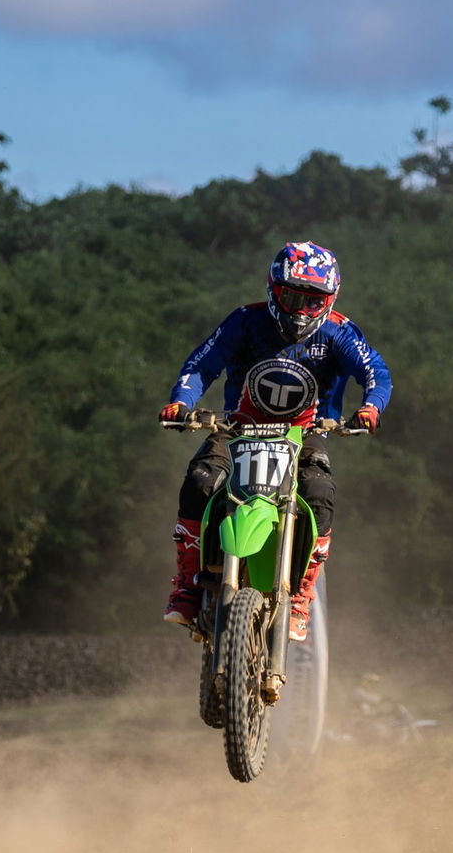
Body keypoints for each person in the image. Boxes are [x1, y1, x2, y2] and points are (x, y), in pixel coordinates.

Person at [157, 241, 393, 640]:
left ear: (329, 299)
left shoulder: (339, 331)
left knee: (318, 491)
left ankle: (300, 594)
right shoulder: (245, 322)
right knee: (200, 480)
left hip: (307, 433)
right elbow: (202, 364)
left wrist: (371, 408)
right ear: (272, 289)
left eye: (312, 301)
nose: (300, 310)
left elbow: (377, 374)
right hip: (237, 426)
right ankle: (187, 584)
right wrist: (181, 402)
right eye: (292, 296)